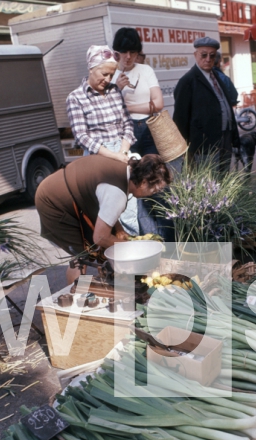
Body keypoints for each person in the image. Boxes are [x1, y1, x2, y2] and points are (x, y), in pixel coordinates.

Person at [35, 154, 171, 283]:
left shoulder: (124, 171)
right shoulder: (117, 193)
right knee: (80, 257)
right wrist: (133, 248)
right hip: (53, 201)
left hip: (63, 188)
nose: (153, 194)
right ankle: (75, 299)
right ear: (143, 183)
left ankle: (99, 285)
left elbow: (107, 208)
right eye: (154, 190)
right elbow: (100, 237)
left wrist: (118, 228)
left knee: (99, 247)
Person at [66, 45, 139, 235]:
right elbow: (82, 136)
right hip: (98, 157)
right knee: (108, 209)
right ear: (91, 68)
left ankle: (133, 249)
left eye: (111, 75)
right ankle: (110, 254)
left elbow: (127, 124)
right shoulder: (76, 98)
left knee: (130, 207)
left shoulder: (115, 92)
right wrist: (113, 156)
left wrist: (123, 150)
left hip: (121, 152)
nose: (107, 80)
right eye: (104, 74)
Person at [173, 36, 240, 174]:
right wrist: (185, 150)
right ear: (195, 55)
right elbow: (180, 119)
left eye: (212, 55)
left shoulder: (216, 76)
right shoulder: (187, 81)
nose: (208, 59)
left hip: (224, 139)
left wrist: (234, 137)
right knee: (209, 185)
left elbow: (226, 106)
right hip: (204, 144)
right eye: (204, 55)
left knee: (224, 179)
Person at [112, 28, 163, 156]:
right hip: (124, 130)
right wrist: (117, 88)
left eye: (133, 52)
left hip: (149, 127)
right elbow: (107, 108)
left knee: (152, 170)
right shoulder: (110, 73)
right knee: (131, 171)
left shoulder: (146, 70)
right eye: (124, 51)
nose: (128, 56)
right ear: (117, 52)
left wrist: (127, 108)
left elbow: (158, 104)